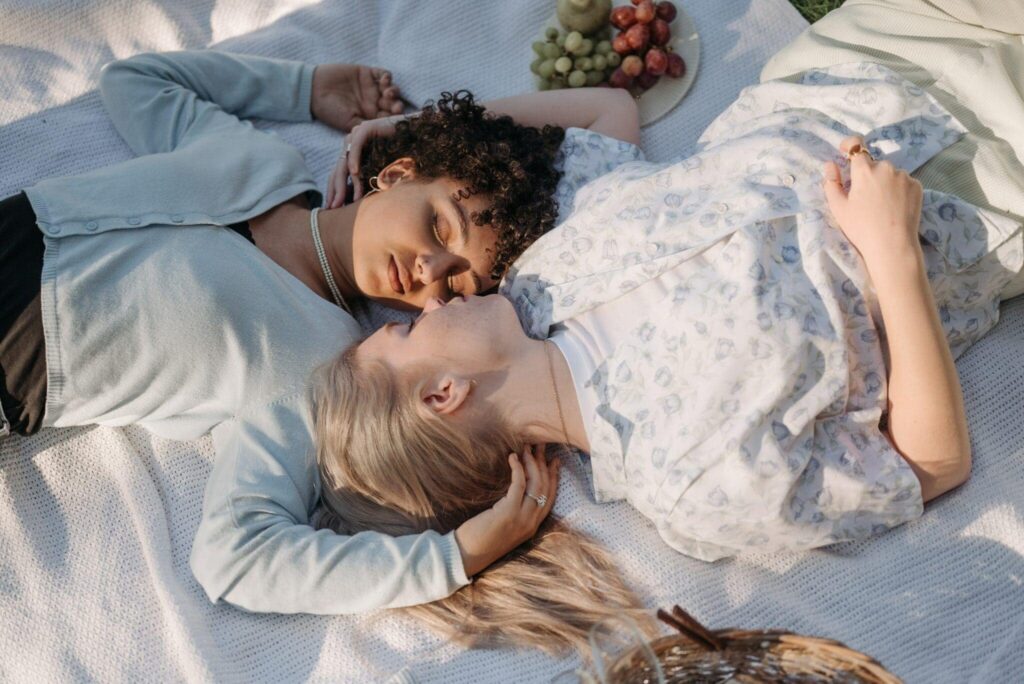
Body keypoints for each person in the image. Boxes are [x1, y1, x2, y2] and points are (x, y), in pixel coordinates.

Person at [312, 61, 1024, 652]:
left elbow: (602, 117)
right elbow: (928, 464)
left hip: (860, 66)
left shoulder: (538, 276)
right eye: (403, 332)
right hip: (982, 184)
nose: (429, 300)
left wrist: (415, 134)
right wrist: (890, 252)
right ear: (443, 395)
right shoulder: (691, 481)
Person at [0, 49, 644, 614]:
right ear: (396, 174)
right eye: (441, 228)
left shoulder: (313, 368)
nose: (428, 273)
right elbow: (137, 78)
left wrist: (455, 557)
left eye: (453, 285)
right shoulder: (263, 164)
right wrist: (307, 89)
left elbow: (236, 556)